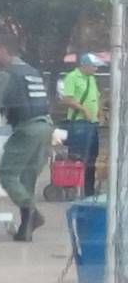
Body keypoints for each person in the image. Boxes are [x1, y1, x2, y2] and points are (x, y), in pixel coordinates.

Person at [0, 33, 53, 241]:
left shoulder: (8, 74)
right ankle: (26, 229)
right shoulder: (32, 72)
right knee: (27, 178)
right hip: (46, 125)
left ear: (4, 50)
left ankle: (32, 213)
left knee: (7, 175)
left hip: (27, 128)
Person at [61, 53, 103, 197]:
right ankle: (72, 188)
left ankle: (89, 190)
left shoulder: (92, 79)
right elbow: (67, 99)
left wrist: (98, 112)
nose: (96, 69)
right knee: (77, 156)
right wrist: (83, 109)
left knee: (92, 157)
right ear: (84, 65)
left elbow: (96, 97)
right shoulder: (72, 77)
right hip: (79, 123)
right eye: (94, 66)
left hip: (92, 123)